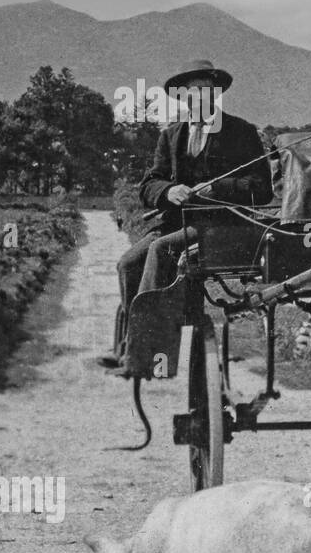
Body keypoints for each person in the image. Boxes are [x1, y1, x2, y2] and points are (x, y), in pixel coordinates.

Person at [99, 58, 272, 371]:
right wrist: (168, 191)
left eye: (206, 92)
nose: (199, 99)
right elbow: (150, 183)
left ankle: (149, 351)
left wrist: (218, 188)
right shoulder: (171, 135)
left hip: (222, 227)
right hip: (176, 223)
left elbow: (262, 188)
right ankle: (129, 344)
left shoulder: (241, 132)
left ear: (217, 95)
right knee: (127, 264)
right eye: (192, 93)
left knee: (159, 249)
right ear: (182, 98)